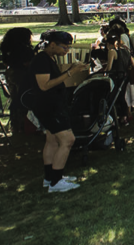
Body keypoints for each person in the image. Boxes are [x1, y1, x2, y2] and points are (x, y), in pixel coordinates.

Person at [24, 31, 90, 192]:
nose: (66, 50)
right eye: (64, 47)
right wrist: (70, 73)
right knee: (68, 140)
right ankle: (56, 182)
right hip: (49, 106)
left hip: (51, 104)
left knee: (52, 140)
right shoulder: (41, 60)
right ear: (52, 44)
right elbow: (44, 85)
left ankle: (50, 178)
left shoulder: (50, 58)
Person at [0, 27, 35, 133]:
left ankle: (15, 124)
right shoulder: (25, 50)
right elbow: (29, 63)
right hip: (23, 75)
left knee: (15, 98)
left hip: (11, 74)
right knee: (23, 99)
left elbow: (6, 62)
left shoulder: (7, 49)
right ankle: (25, 124)